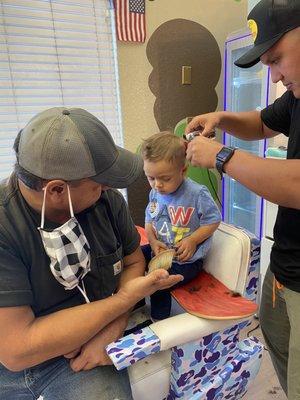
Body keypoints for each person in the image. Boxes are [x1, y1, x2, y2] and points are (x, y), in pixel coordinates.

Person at [0, 107, 183, 400]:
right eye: (99, 184)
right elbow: (17, 350)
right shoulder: (6, 227)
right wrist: (125, 299)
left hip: (87, 350)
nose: (108, 188)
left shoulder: (107, 203)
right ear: (57, 190)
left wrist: (113, 327)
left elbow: (134, 261)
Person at [185, 1, 300, 398]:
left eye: (277, 59)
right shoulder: (298, 94)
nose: (276, 75)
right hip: (285, 267)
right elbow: (265, 121)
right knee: (279, 347)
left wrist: (221, 157)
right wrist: (223, 118)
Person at [140, 132, 221, 320]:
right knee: (132, 258)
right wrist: (152, 241)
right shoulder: (155, 193)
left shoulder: (197, 193)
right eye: (151, 178)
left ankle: (158, 321)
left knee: (159, 281)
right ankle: (134, 308)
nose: (157, 185)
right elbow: (149, 221)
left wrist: (193, 240)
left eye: (164, 179)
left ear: (183, 171)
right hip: (159, 252)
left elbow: (213, 220)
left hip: (186, 261)